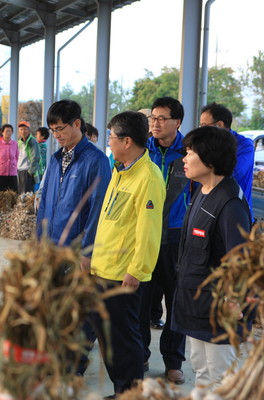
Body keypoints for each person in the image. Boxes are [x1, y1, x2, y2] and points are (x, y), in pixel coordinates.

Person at [89, 111, 165, 395]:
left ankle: (130, 392)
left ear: (128, 140)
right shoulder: (119, 170)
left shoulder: (149, 177)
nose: (109, 142)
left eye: (111, 137)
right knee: (107, 337)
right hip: (103, 268)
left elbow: (149, 231)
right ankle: (121, 388)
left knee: (125, 340)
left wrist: (138, 270)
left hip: (124, 274)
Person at [171, 126, 252, 389]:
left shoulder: (230, 203)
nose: (184, 158)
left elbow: (239, 260)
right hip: (196, 306)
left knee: (220, 380)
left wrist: (234, 301)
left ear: (210, 158)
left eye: (190, 152)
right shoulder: (202, 191)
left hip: (218, 312)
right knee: (202, 373)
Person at [143, 96, 190, 384]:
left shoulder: (189, 152)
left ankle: (173, 361)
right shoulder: (142, 149)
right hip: (144, 234)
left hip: (176, 236)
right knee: (141, 300)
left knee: (176, 301)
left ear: (177, 122)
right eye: (153, 117)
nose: (155, 123)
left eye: (162, 118)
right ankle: (141, 356)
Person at [36, 100, 110, 258]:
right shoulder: (55, 159)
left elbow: (98, 210)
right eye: (52, 130)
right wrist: (38, 239)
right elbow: (44, 202)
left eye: (60, 129)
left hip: (74, 251)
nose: (56, 135)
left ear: (76, 123)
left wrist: (87, 252)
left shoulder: (96, 160)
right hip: (49, 248)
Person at [199, 102, 254, 217]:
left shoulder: (244, 146)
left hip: (237, 211)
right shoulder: (206, 145)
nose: (201, 131)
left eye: (204, 126)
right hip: (211, 210)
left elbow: (232, 174)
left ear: (219, 124)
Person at [0, 124, 18, 192]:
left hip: (12, 172)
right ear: (2, 132)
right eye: (6, 131)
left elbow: (17, 157)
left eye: (10, 131)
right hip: (0, 172)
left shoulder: (15, 144)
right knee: (0, 193)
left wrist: (14, 165)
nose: (8, 133)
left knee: (13, 193)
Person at [17, 121, 40, 193]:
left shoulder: (32, 141)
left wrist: (30, 171)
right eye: (21, 129)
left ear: (29, 130)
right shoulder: (19, 142)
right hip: (20, 170)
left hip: (27, 171)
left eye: (25, 129)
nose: (23, 131)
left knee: (27, 194)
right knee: (21, 193)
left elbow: (36, 157)